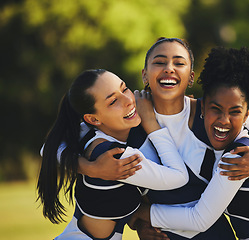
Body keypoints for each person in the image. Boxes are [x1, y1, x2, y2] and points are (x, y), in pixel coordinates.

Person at [78, 38, 249, 239]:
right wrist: (90, 168)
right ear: (144, 75)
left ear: (191, 76)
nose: (169, 68)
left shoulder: (214, 113)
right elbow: (57, 145)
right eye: (160, 62)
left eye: (179, 63)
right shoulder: (126, 116)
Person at [130, 46, 249, 239]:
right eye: (160, 62)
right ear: (204, 106)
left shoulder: (239, 153)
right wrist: (140, 224)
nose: (224, 120)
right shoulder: (212, 112)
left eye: (179, 62)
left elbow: (198, 218)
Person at [37, 69, 189, 239]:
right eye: (113, 101)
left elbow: (48, 148)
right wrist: (151, 123)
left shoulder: (89, 131)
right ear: (94, 119)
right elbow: (179, 176)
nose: (129, 101)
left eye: (124, 89)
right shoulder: (114, 157)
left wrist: (89, 168)